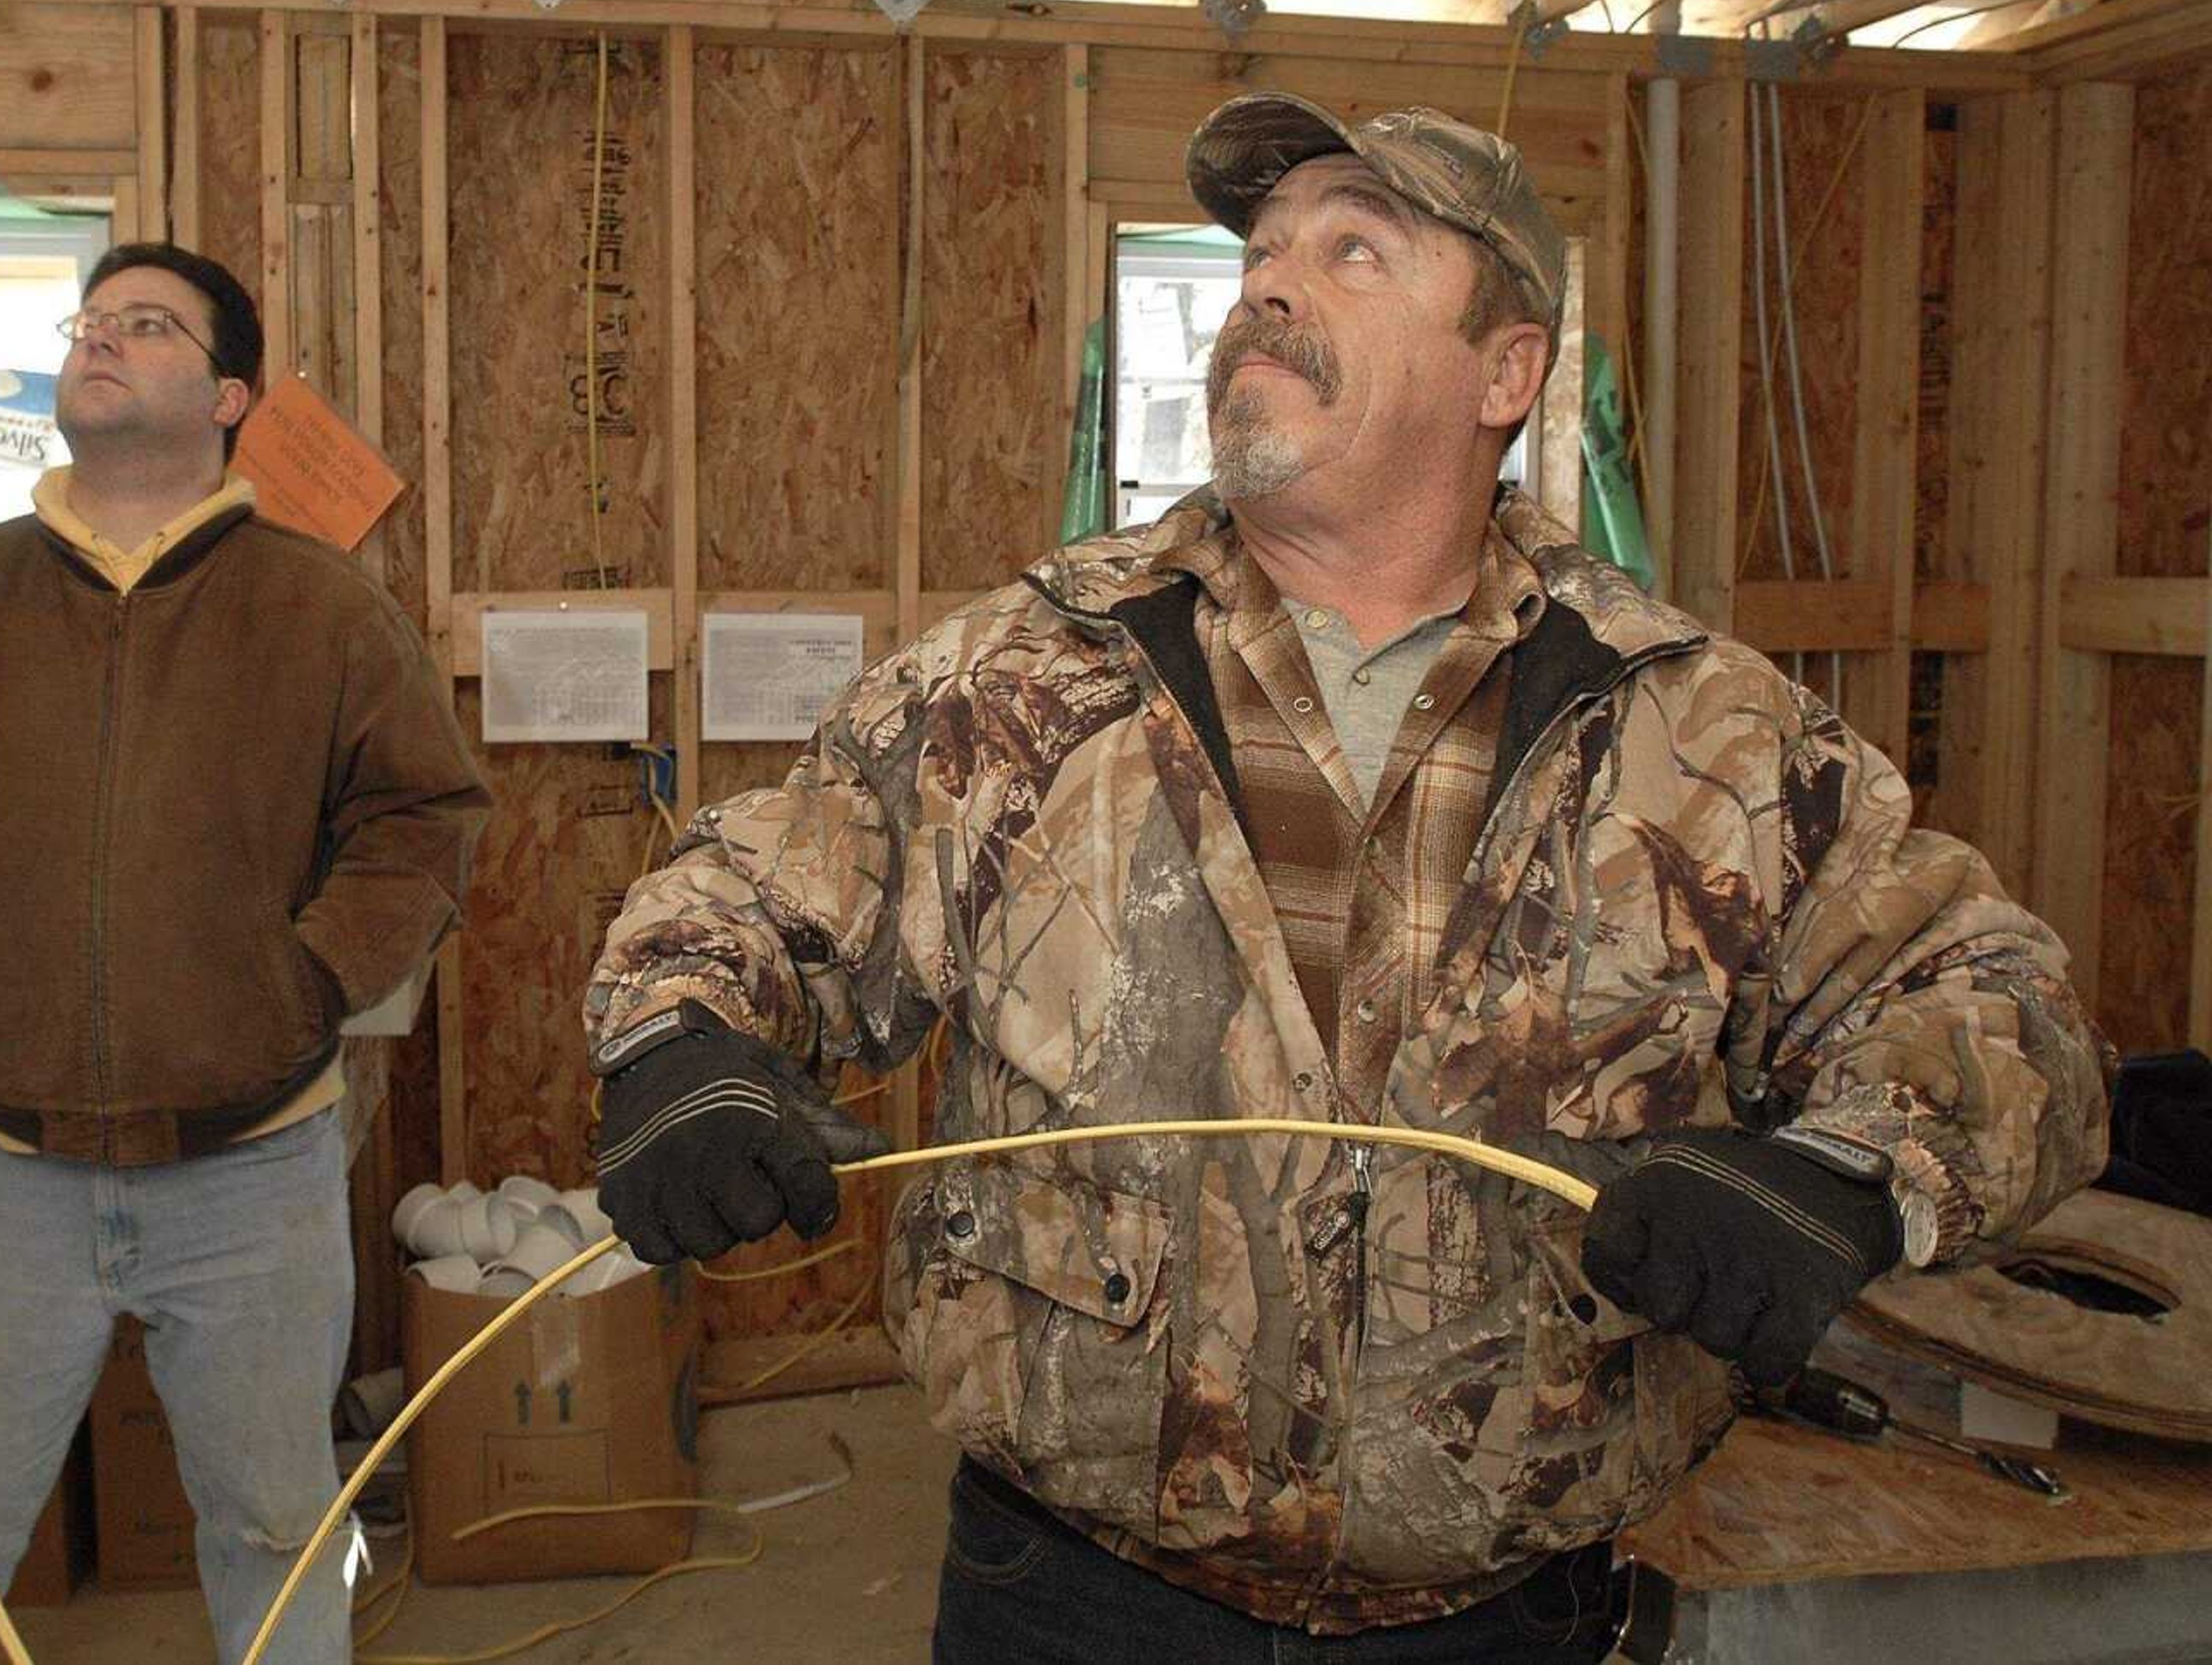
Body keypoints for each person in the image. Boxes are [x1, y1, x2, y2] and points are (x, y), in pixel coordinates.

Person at [581, 98, 2107, 1661]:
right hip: (1078, 1602)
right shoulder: (1029, 674)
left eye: (1353, 248)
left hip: (1510, 1619)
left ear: (1505, 376)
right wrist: (680, 1042)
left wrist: (1847, 1176)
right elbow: (766, 889)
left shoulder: (1691, 725)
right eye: (1261, 254)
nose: (1271, 286)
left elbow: (1997, 1002)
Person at [0, 242, 489, 1665]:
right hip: (3, 1174)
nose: (103, 338)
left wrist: (304, 985)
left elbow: (424, 816)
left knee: (278, 1540)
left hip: (255, 1172)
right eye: (92, 320)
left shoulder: (322, 611)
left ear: (230, 395)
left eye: (148, 324)